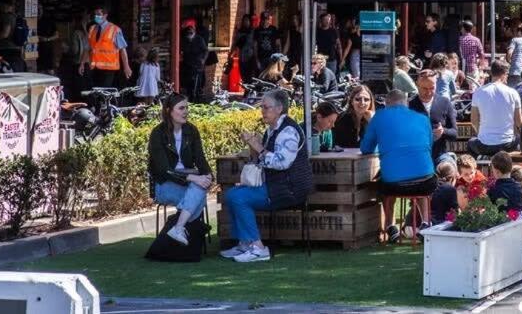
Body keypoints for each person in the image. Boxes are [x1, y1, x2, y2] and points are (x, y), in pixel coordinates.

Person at [222, 89, 313, 263]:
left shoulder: (288, 131)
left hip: (289, 189)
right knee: (232, 194)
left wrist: (259, 147)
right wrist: (252, 145)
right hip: (274, 185)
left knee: (239, 198)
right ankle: (245, 243)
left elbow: (281, 163)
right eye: (262, 107)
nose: (262, 111)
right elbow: (260, 160)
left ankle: (258, 248)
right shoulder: (271, 130)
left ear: (279, 109)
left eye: (266, 107)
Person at [147, 93, 213, 245]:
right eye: (181, 108)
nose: (186, 112)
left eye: (187, 108)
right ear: (169, 111)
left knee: (198, 190)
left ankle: (178, 228)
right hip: (163, 183)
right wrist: (194, 178)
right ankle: (181, 230)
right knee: (199, 196)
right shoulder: (158, 133)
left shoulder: (191, 130)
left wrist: (208, 176)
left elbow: (200, 159)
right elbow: (164, 170)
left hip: (188, 181)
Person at [361, 90, 437, 211]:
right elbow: (429, 147)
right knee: (422, 179)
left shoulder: (379, 116)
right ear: (406, 103)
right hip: (426, 181)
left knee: (383, 184)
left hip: (394, 184)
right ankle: (425, 221)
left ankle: (389, 225)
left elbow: (365, 148)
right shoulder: (423, 118)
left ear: (386, 103)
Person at [467, 59, 522, 156]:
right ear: (505, 73)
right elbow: (519, 122)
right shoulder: (513, 93)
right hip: (507, 145)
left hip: (485, 145)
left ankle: (477, 169)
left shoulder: (478, 92)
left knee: (471, 143)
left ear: (491, 73)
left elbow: (474, 120)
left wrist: (482, 135)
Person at [409, 70, 458, 164]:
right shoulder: (409, 105)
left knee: (447, 168)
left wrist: (443, 131)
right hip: (416, 155)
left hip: (439, 155)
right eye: (424, 88)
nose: (428, 92)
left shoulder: (444, 102)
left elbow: (454, 133)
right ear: (417, 85)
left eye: (432, 88)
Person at [79, 6, 131, 88]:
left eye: (99, 14)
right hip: (94, 68)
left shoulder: (114, 29)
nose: (96, 16)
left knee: (104, 92)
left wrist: (126, 66)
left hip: (109, 68)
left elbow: (122, 49)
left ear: (105, 15)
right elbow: (87, 48)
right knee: (95, 92)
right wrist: (82, 63)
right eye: (95, 14)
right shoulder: (92, 29)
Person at [333, 83, 375, 148]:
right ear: (352, 102)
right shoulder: (342, 119)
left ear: (370, 102)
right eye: (358, 99)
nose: (362, 103)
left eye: (366, 99)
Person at [0, 0, 26, 72]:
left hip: (7, 48)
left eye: (2, 6)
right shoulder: (16, 17)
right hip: (17, 47)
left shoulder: (7, 17)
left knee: (7, 69)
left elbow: (5, 34)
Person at [180, 19, 209, 99]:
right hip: (187, 64)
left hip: (197, 64)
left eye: (190, 32)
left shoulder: (199, 39)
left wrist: (203, 60)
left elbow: (205, 51)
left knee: (196, 83)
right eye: (188, 33)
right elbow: (181, 50)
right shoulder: (185, 39)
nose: (189, 35)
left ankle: (196, 96)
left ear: (194, 32)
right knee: (188, 82)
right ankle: (190, 96)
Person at [430, 160, 460, 224]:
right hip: (440, 224)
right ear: (452, 178)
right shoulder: (450, 189)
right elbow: (455, 211)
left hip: (424, 223)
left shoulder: (430, 186)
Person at [233, 15, 257, 85]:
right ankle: (246, 89)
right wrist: (232, 54)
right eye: (244, 21)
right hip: (242, 57)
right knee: (243, 75)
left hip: (251, 57)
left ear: (250, 22)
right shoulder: (240, 32)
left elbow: (255, 44)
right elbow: (236, 44)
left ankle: (249, 91)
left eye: (247, 21)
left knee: (250, 75)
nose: (245, 22)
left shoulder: (253, 31)